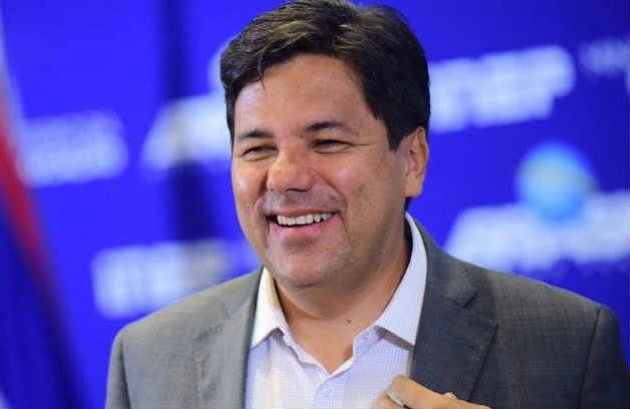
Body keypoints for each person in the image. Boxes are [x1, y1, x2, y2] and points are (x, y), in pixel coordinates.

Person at [106, 0, 629, 408]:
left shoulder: (566, 346)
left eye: (327, 142)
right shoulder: (148, 360)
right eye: (258, 148)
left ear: (412, 160)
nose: (284, 176)